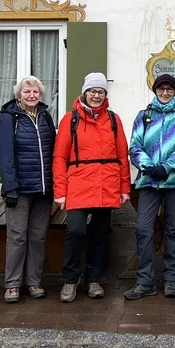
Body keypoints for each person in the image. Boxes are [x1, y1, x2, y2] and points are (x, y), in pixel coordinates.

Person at [53, 72, 130, 303]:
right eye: (92, 91)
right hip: (78, 183)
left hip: (106, 184)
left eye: (100, 92)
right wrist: (60, 191)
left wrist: (124, 187)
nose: (96, 96)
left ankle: (94, 278)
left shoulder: (114, 120)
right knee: (75, 231)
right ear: (84, 93)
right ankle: (70, 280)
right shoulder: (71, 119)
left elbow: (122, 156)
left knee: (99, 235)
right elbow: (59, 157)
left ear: (105, 95)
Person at [124, 73, 175, 300]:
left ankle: (171, 280)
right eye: (161, 89)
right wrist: (148, 167)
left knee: (173, 229)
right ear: (155, 90)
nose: (165, 93)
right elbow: (134, 146)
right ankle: (145, 281)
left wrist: (166, 167)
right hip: (148, 181)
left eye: (169, 89)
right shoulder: (143, 116)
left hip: (174, 182)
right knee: (144, 229)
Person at [0, 76, 57, 304]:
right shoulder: (9, 118)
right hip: (18, 189)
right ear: (18, 95)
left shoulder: (45, 116)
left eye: (35, 92)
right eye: (26, 92)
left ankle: (33, 282)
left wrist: (54, 183)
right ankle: (12, 284)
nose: (31, 95)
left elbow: (53, 150)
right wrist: (9, 186)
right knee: (18, 237)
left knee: (38, 237)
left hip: (43, 189)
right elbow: (4, 154)